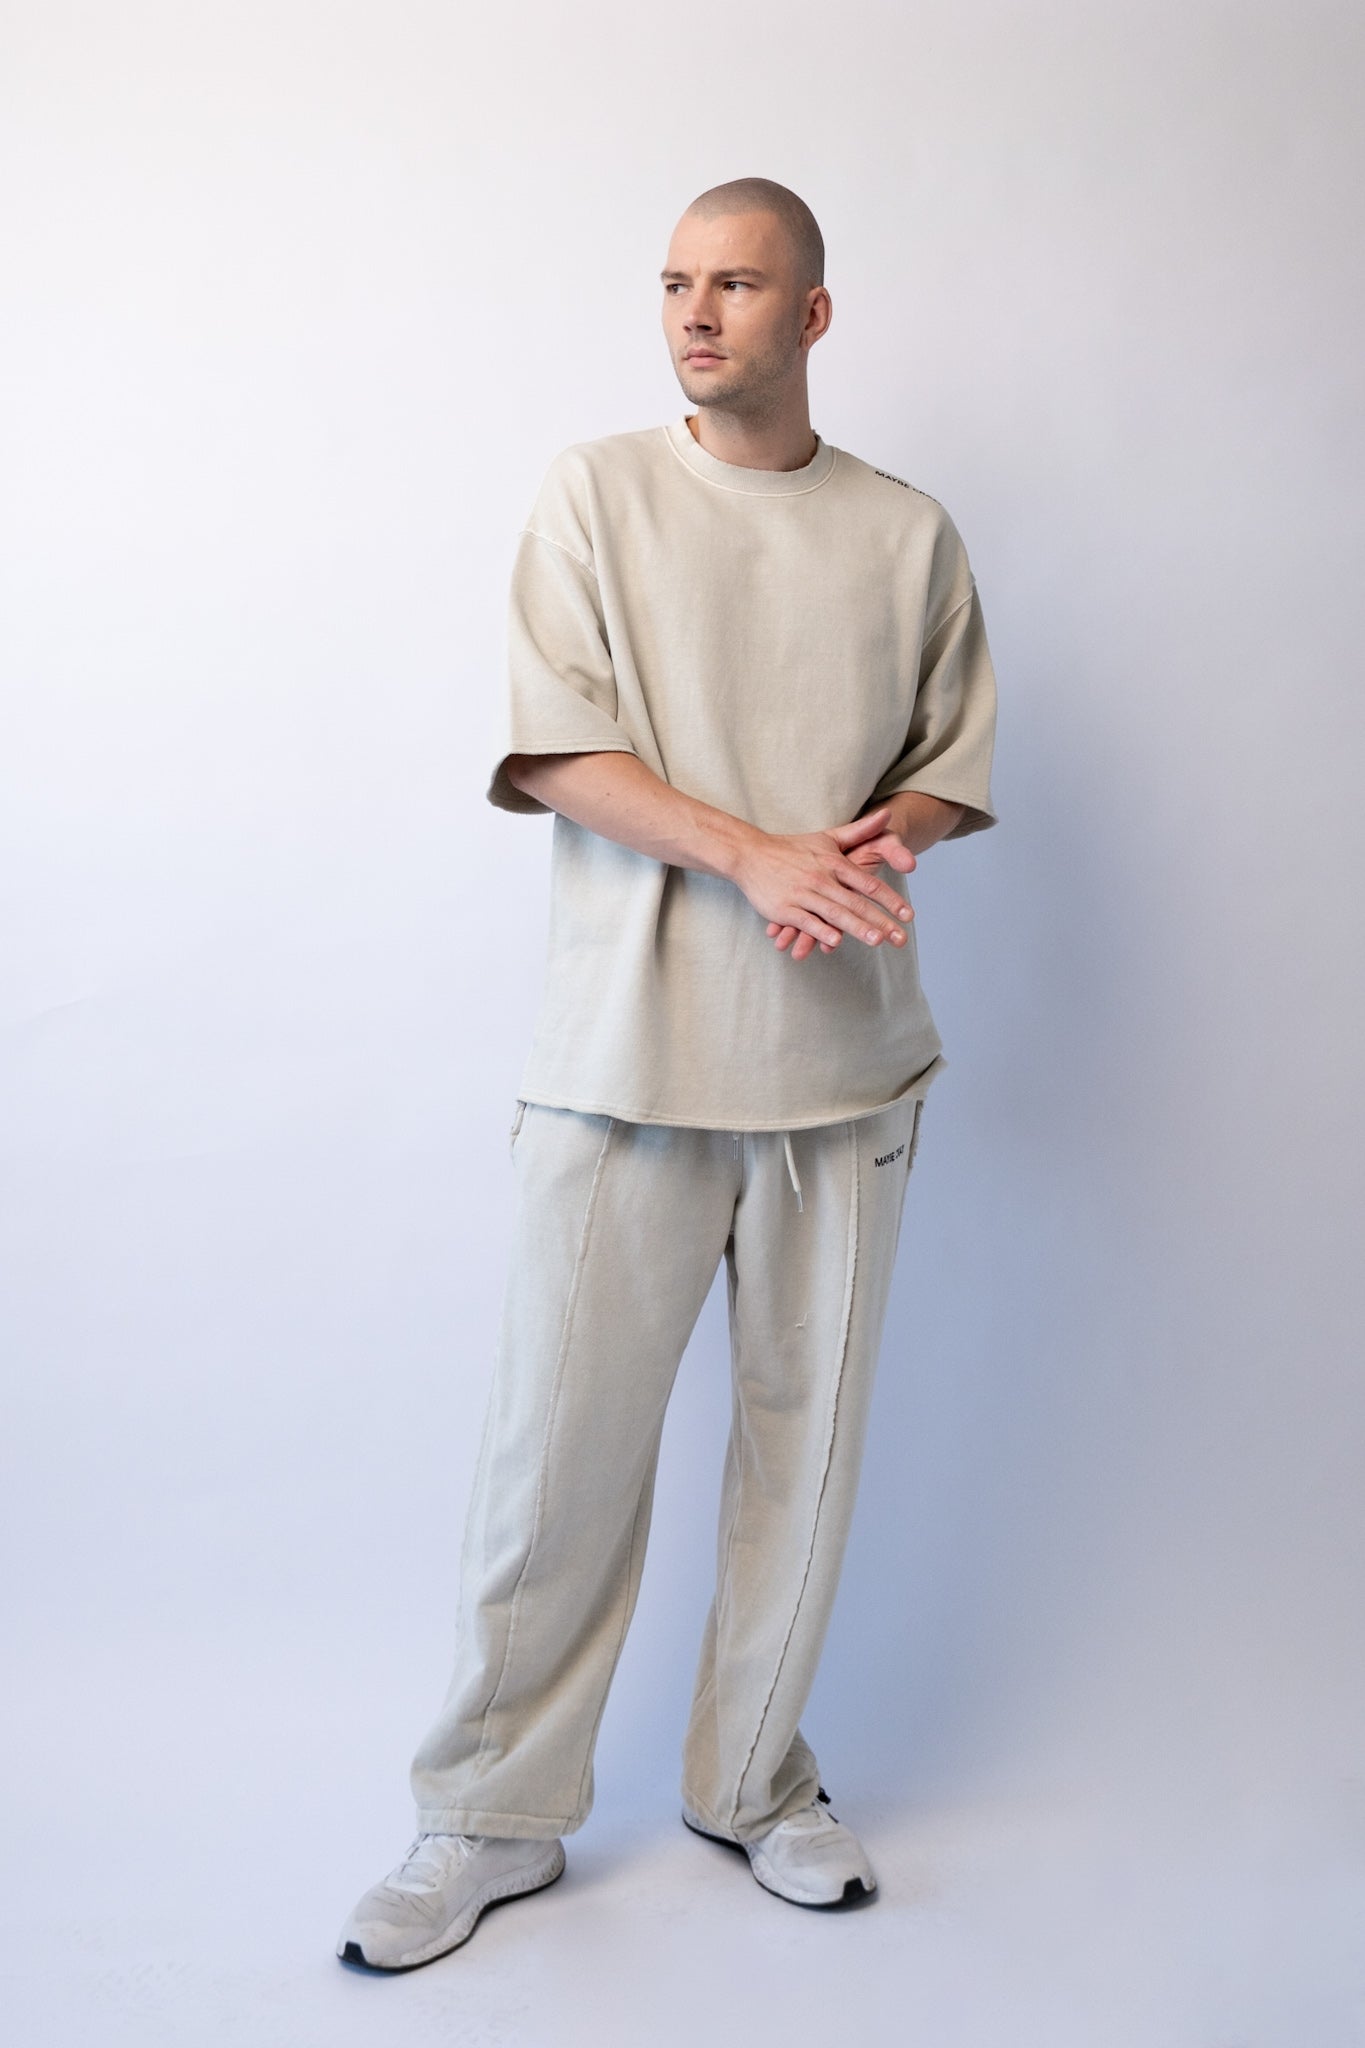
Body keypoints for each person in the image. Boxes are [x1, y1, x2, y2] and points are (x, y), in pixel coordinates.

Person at [337, 175, 998, 1971]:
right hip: (624, 1059)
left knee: (804, 1458)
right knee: (551, 1464)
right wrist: (752, 855)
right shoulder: (596, 494)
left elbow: (950, 761)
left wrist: (874, 839)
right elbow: (555, 750)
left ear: (813, 314)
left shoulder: (904, 533)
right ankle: (487, 1815)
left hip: (845, 1066)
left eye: (738, 284)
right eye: (676, 282)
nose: (696, 313)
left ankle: (755, 1780)